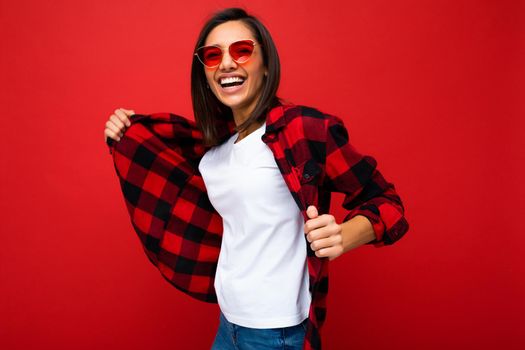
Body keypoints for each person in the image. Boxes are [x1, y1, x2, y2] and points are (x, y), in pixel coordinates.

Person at [103, 7, 409, 350]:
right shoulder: (215, 148)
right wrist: (128, 133)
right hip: (229, 324)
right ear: (204, 73)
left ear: (265, 66)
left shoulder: (301, 130)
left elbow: (388, 203)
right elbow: (167, 175)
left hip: (277, 334)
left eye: (242, 50)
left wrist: (343, 236)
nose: (227, 63)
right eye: (213, 55)